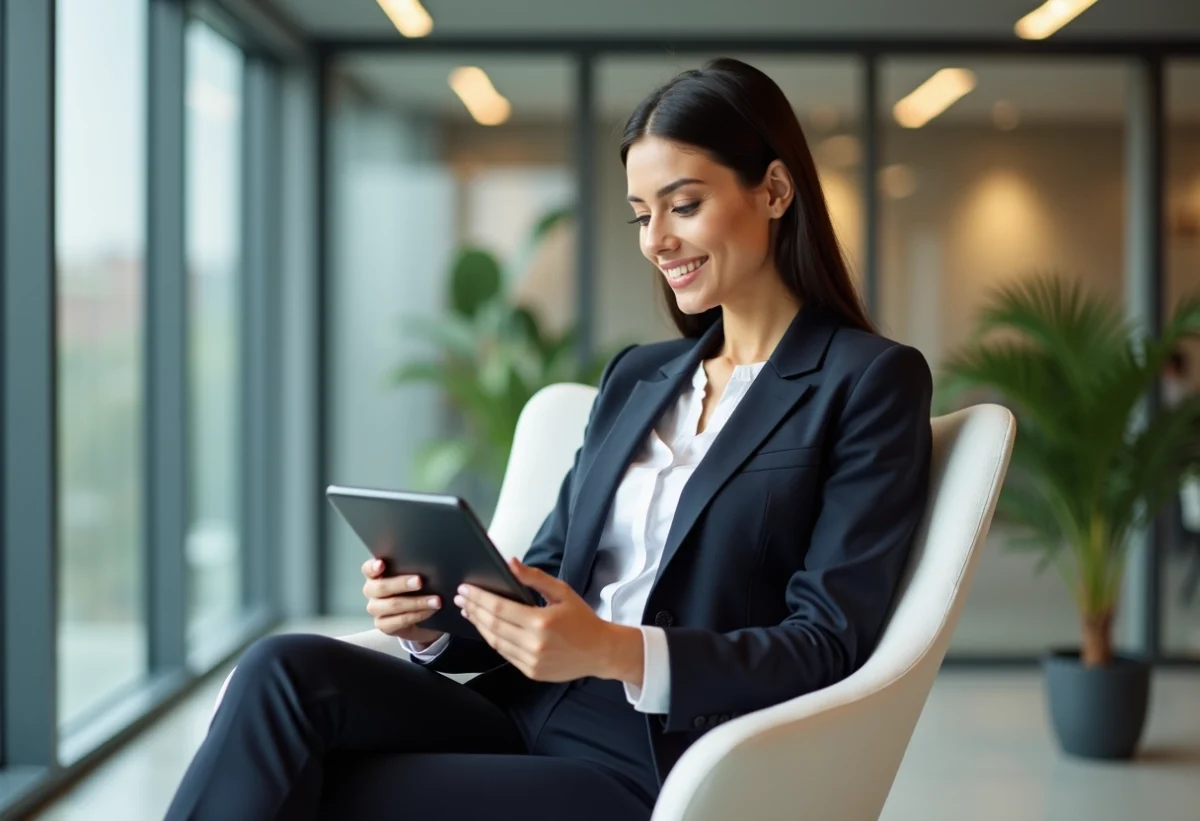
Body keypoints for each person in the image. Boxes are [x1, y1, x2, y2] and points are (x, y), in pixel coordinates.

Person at [164, 57, 933, 821]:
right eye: (641, 215)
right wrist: (432, 623)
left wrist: (612, 649)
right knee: (279, 670)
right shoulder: (638, 377)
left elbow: (827, 641)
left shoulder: (868, 382)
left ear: (774, 190)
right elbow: (546, 581)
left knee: (303, 789)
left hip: (654, 758)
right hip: (519, 709)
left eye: (684, 205)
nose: (657, 241)